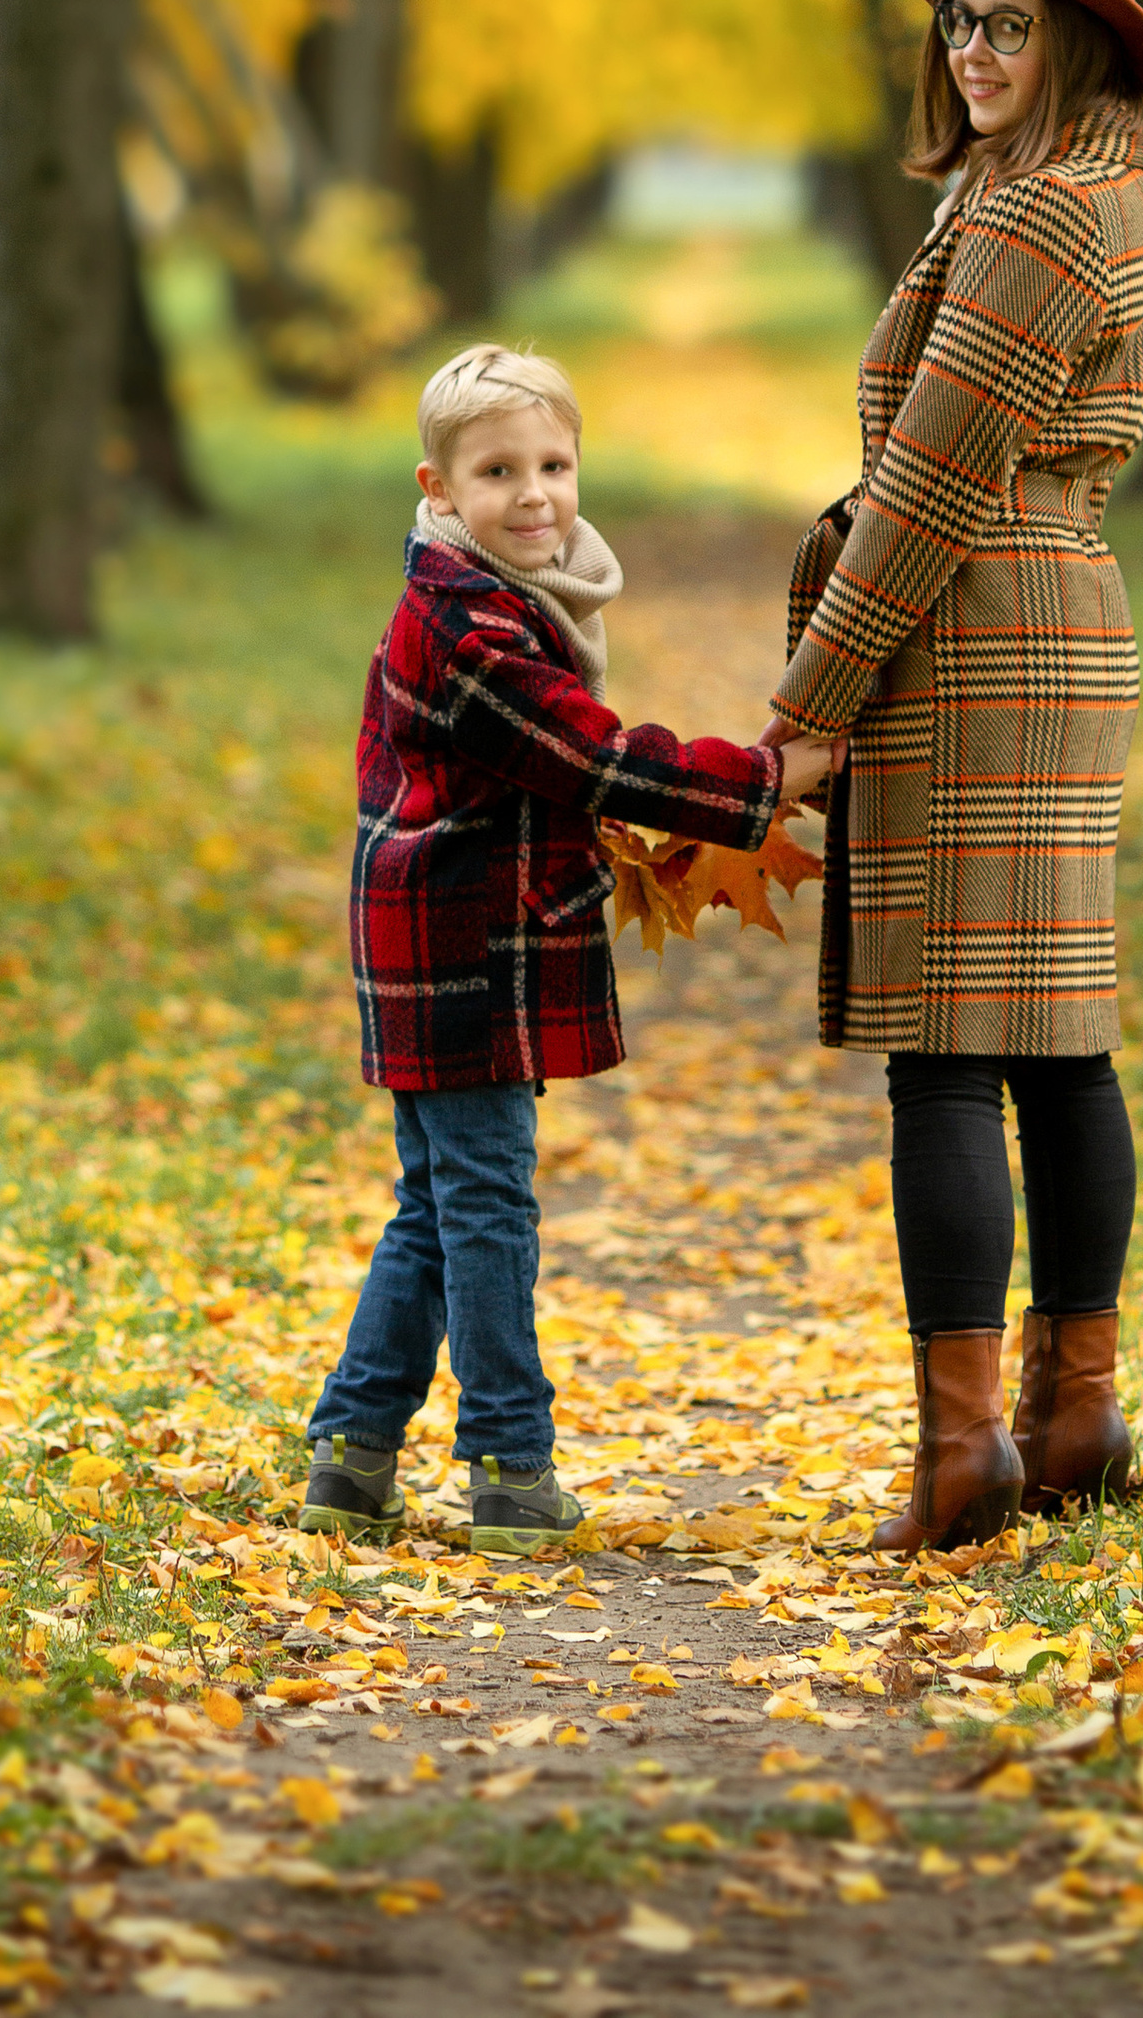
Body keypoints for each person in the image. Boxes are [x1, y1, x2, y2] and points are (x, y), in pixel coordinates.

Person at [772, 0, 1143, 1554]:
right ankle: (1073, 1412)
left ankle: (964, 1457)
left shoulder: (1036, 221)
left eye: (1014, 21)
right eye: (962, 19)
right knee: (1059, 1037)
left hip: (976, 633)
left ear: (1077, 40)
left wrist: (811, 709)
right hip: (1061, 613)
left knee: (947, 1054)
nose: (978, 47)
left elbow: (932, 479)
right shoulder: (1109, 199)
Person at [304, 341, 837, 1557]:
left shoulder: (497, 596)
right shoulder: (465, 625)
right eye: (498, 471)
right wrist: (761, 783)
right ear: (437, 490)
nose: (534, 493)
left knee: (436, 1205)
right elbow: (591, 756)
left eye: (554, 462)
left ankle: (351, 1452)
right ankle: (509, 1464)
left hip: (450, 929)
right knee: (485, 1203)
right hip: (457, 940)